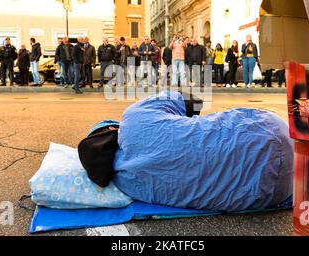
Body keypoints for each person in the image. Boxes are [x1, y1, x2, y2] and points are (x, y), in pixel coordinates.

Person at [77, 91, 293, 213]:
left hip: (271, 194)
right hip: (269, 131)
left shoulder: (128, 187)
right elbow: (193, 100)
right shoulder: (134, 117)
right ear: (111, 129)